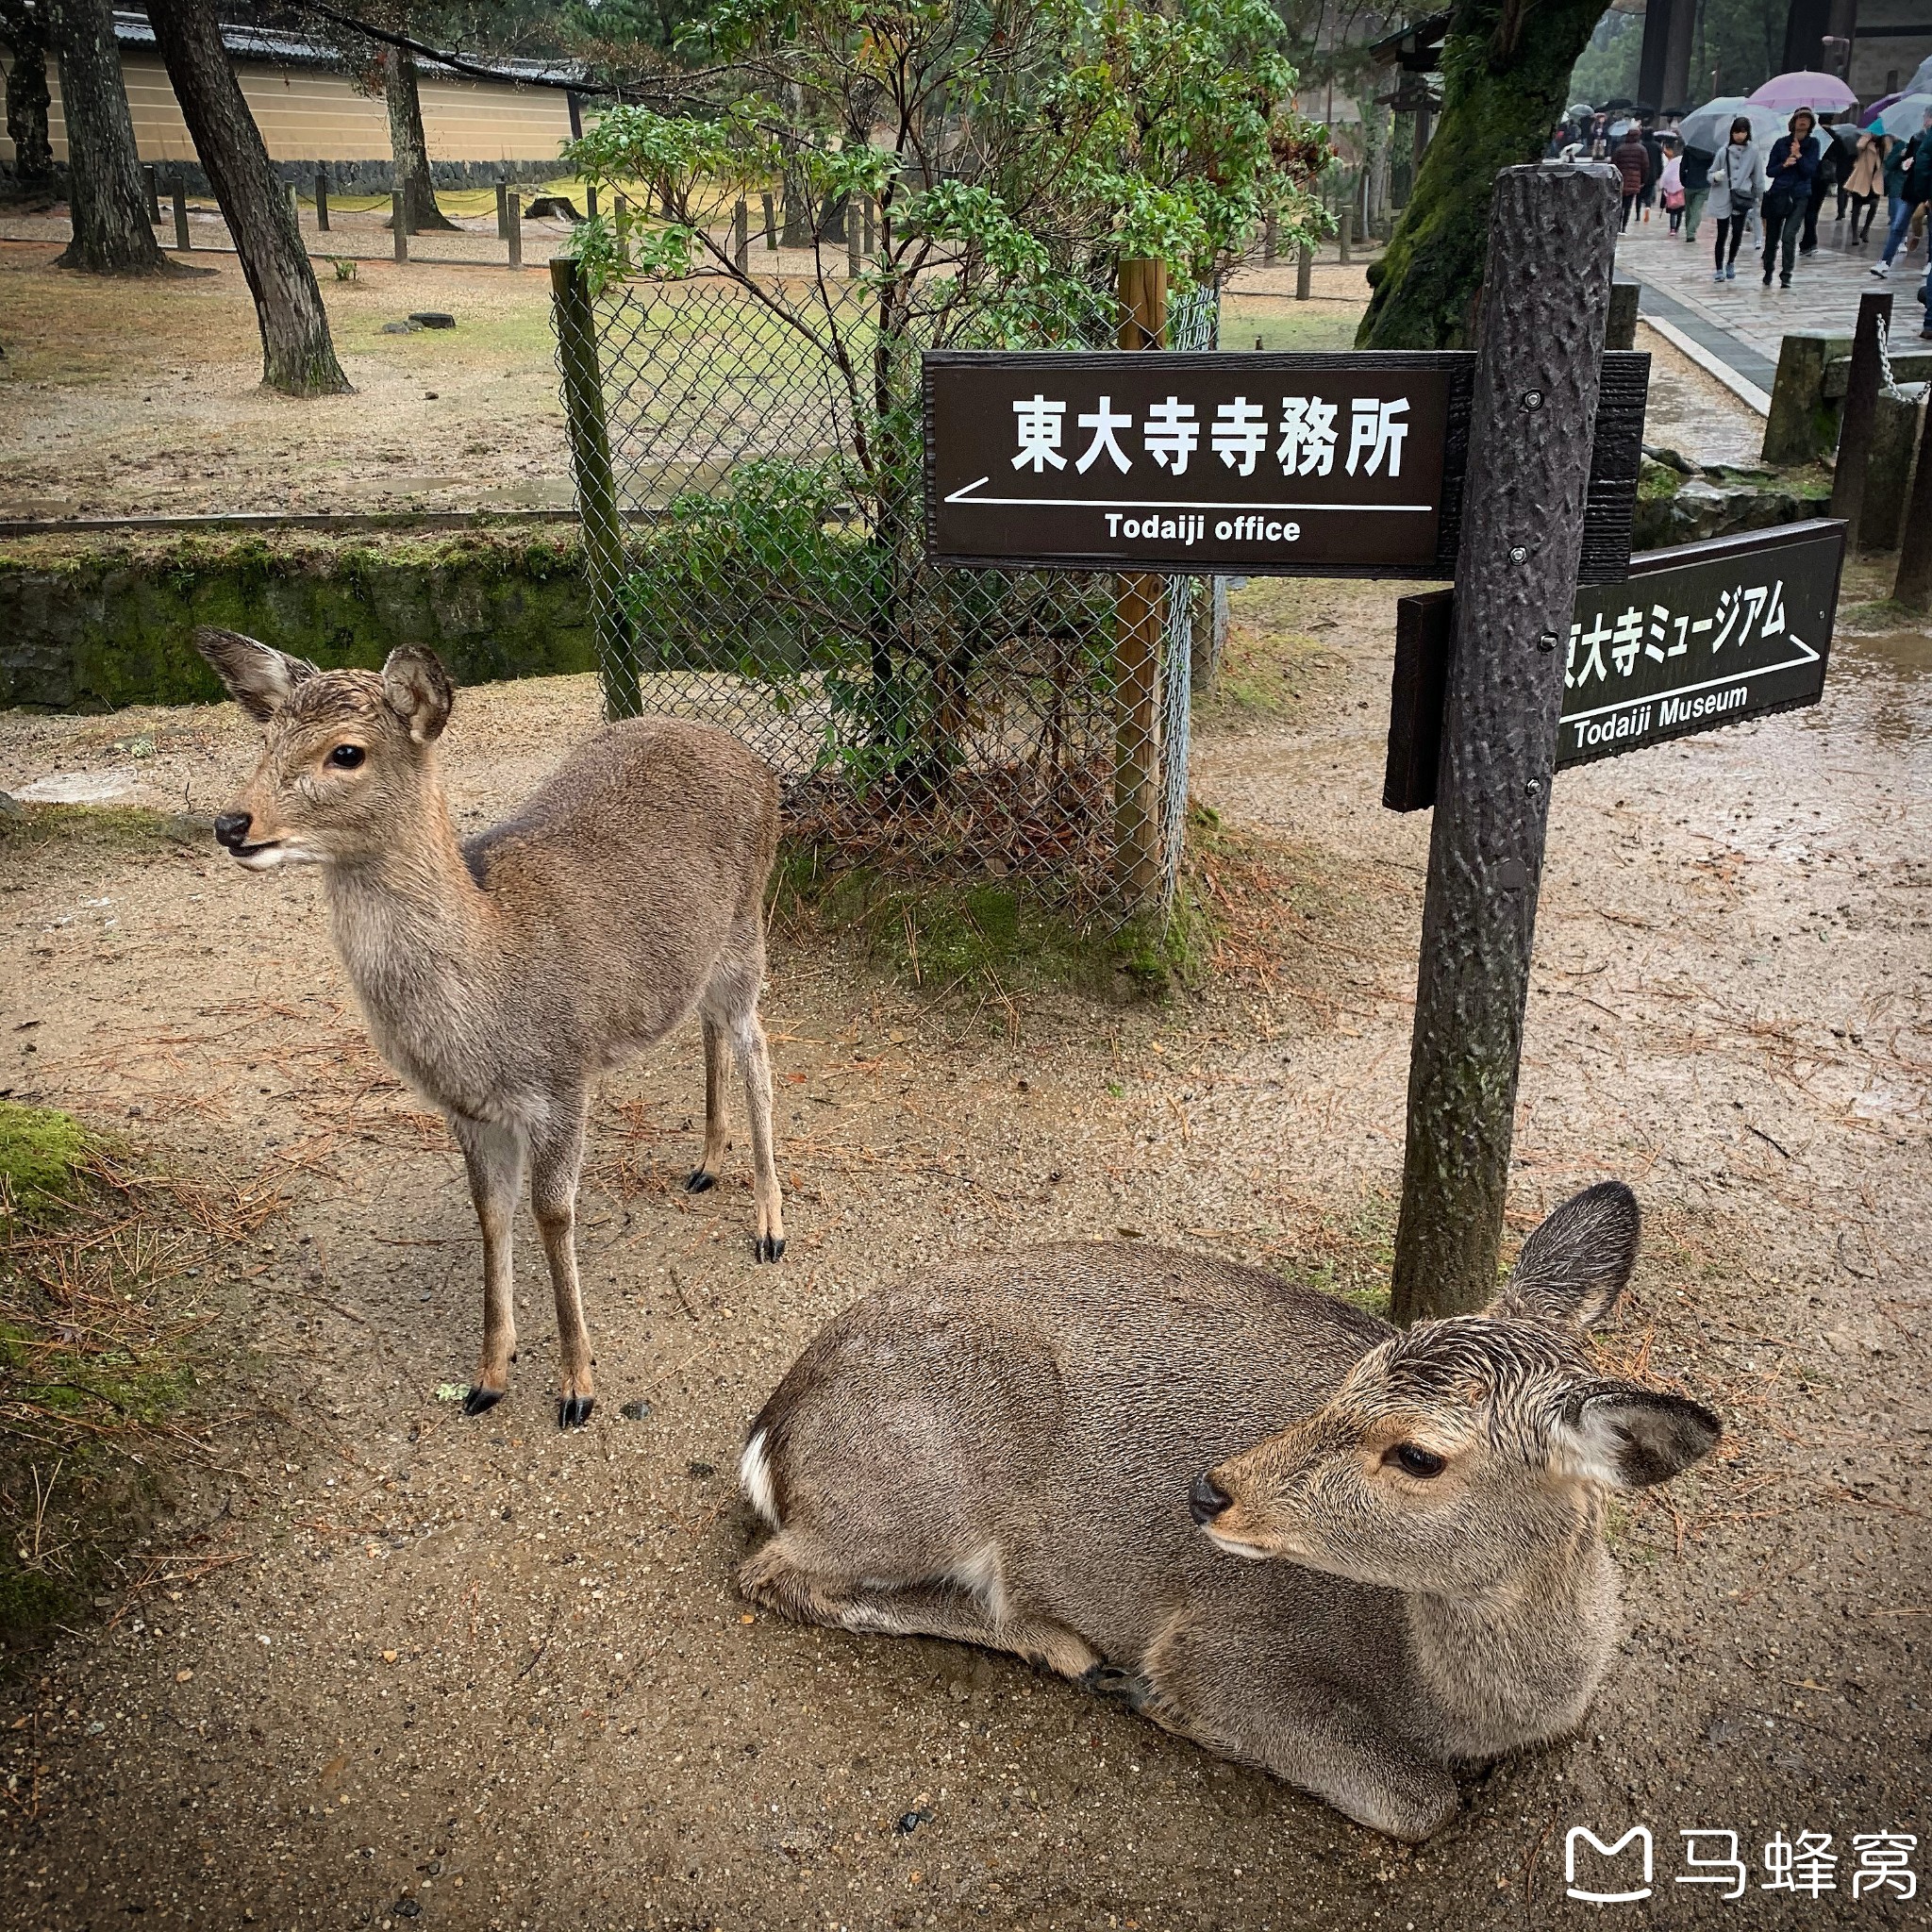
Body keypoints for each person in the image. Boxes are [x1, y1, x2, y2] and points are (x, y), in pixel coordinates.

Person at [1760, 108, 1821, 288]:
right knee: (1772, 237)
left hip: (1800, 195)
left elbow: (1810, 171)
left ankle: (1786, 273)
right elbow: (1770, 170)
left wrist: (1800, 156)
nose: (1802, 121)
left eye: (1806, 119)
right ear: (1793, 122)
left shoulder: (1813, 144)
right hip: (1779, 194)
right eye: (1800, 118)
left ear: (1811, 124)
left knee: (1788, 236)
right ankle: (1768, 269)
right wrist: (1785, 164)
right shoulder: (1780, 144)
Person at [1873, 108, 1932, 276]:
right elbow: (1907, 163)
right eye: (1926, 118)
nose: (1926, 121)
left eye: (1927, 118)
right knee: (1898, 225)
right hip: (1912, 190)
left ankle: (1930, 262)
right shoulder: (1917, 138)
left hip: (1929, 191)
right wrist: (1906, 163)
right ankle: (1885, 261)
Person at [1710, 117, 1761, 282]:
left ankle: (1731, 262)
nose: (1740, 135)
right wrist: (1716, 177)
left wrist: (1759, 196)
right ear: (1732, 132)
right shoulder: (1723, 151)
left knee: (1737, 233)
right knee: (1722, 234)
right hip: (1723, 195)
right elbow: (1711, 174)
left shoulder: (1753, 151)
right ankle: (1719, 268)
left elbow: (1757, 177)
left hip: (1742, 196)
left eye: (1743, 131)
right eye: (1737, 131)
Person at [1802, 125, 1843, 251]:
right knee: (1814, 209)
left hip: (1813, 176)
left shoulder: (1811, 135)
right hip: (1824, 177)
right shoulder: (1834, 135)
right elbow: (1841, 153)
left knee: (1809, 209)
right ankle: (1810, 240)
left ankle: (1809, 240)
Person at [1845, 129, 1887, 246]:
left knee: (1874, 204)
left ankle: (1866, 229)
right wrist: (1868, 136)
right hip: (1862, 178)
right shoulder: (1866, 141)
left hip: (1875, 180)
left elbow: (1889, 154)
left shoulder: (1883, 144)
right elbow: (1859, 145)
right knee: (1856, 207)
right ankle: (1854, 235)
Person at [1615, 126, 1650, 230]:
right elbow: (1645, 166)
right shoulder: (1641, 149)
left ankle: (1617, 226)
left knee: (1620, 205)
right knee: (1628, 205)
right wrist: (1643, 180)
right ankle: (1624, 227)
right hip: (1634, 180)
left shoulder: (1620, 149)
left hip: (1621, 179)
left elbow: (1614, 164)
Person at [1680, 142, 1714, 242]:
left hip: (1690, 182)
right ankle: (1691, 232)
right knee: (1697, 208)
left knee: (1688, 208)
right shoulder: (1711, 150)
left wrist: (1683, 180)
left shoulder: (1688, 148)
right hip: (1704, 184)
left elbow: (1683, 166)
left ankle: (1689, 230)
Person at [1661, 147, 1686, 233]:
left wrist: (1664, 185)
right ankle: (1677, 227)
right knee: (1680, 208)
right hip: (1681, 186)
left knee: (1673, 209)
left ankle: (1672, 228)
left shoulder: (1673, 161)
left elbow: (1666, 173)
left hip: (1671, 186)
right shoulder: (1685, 161)